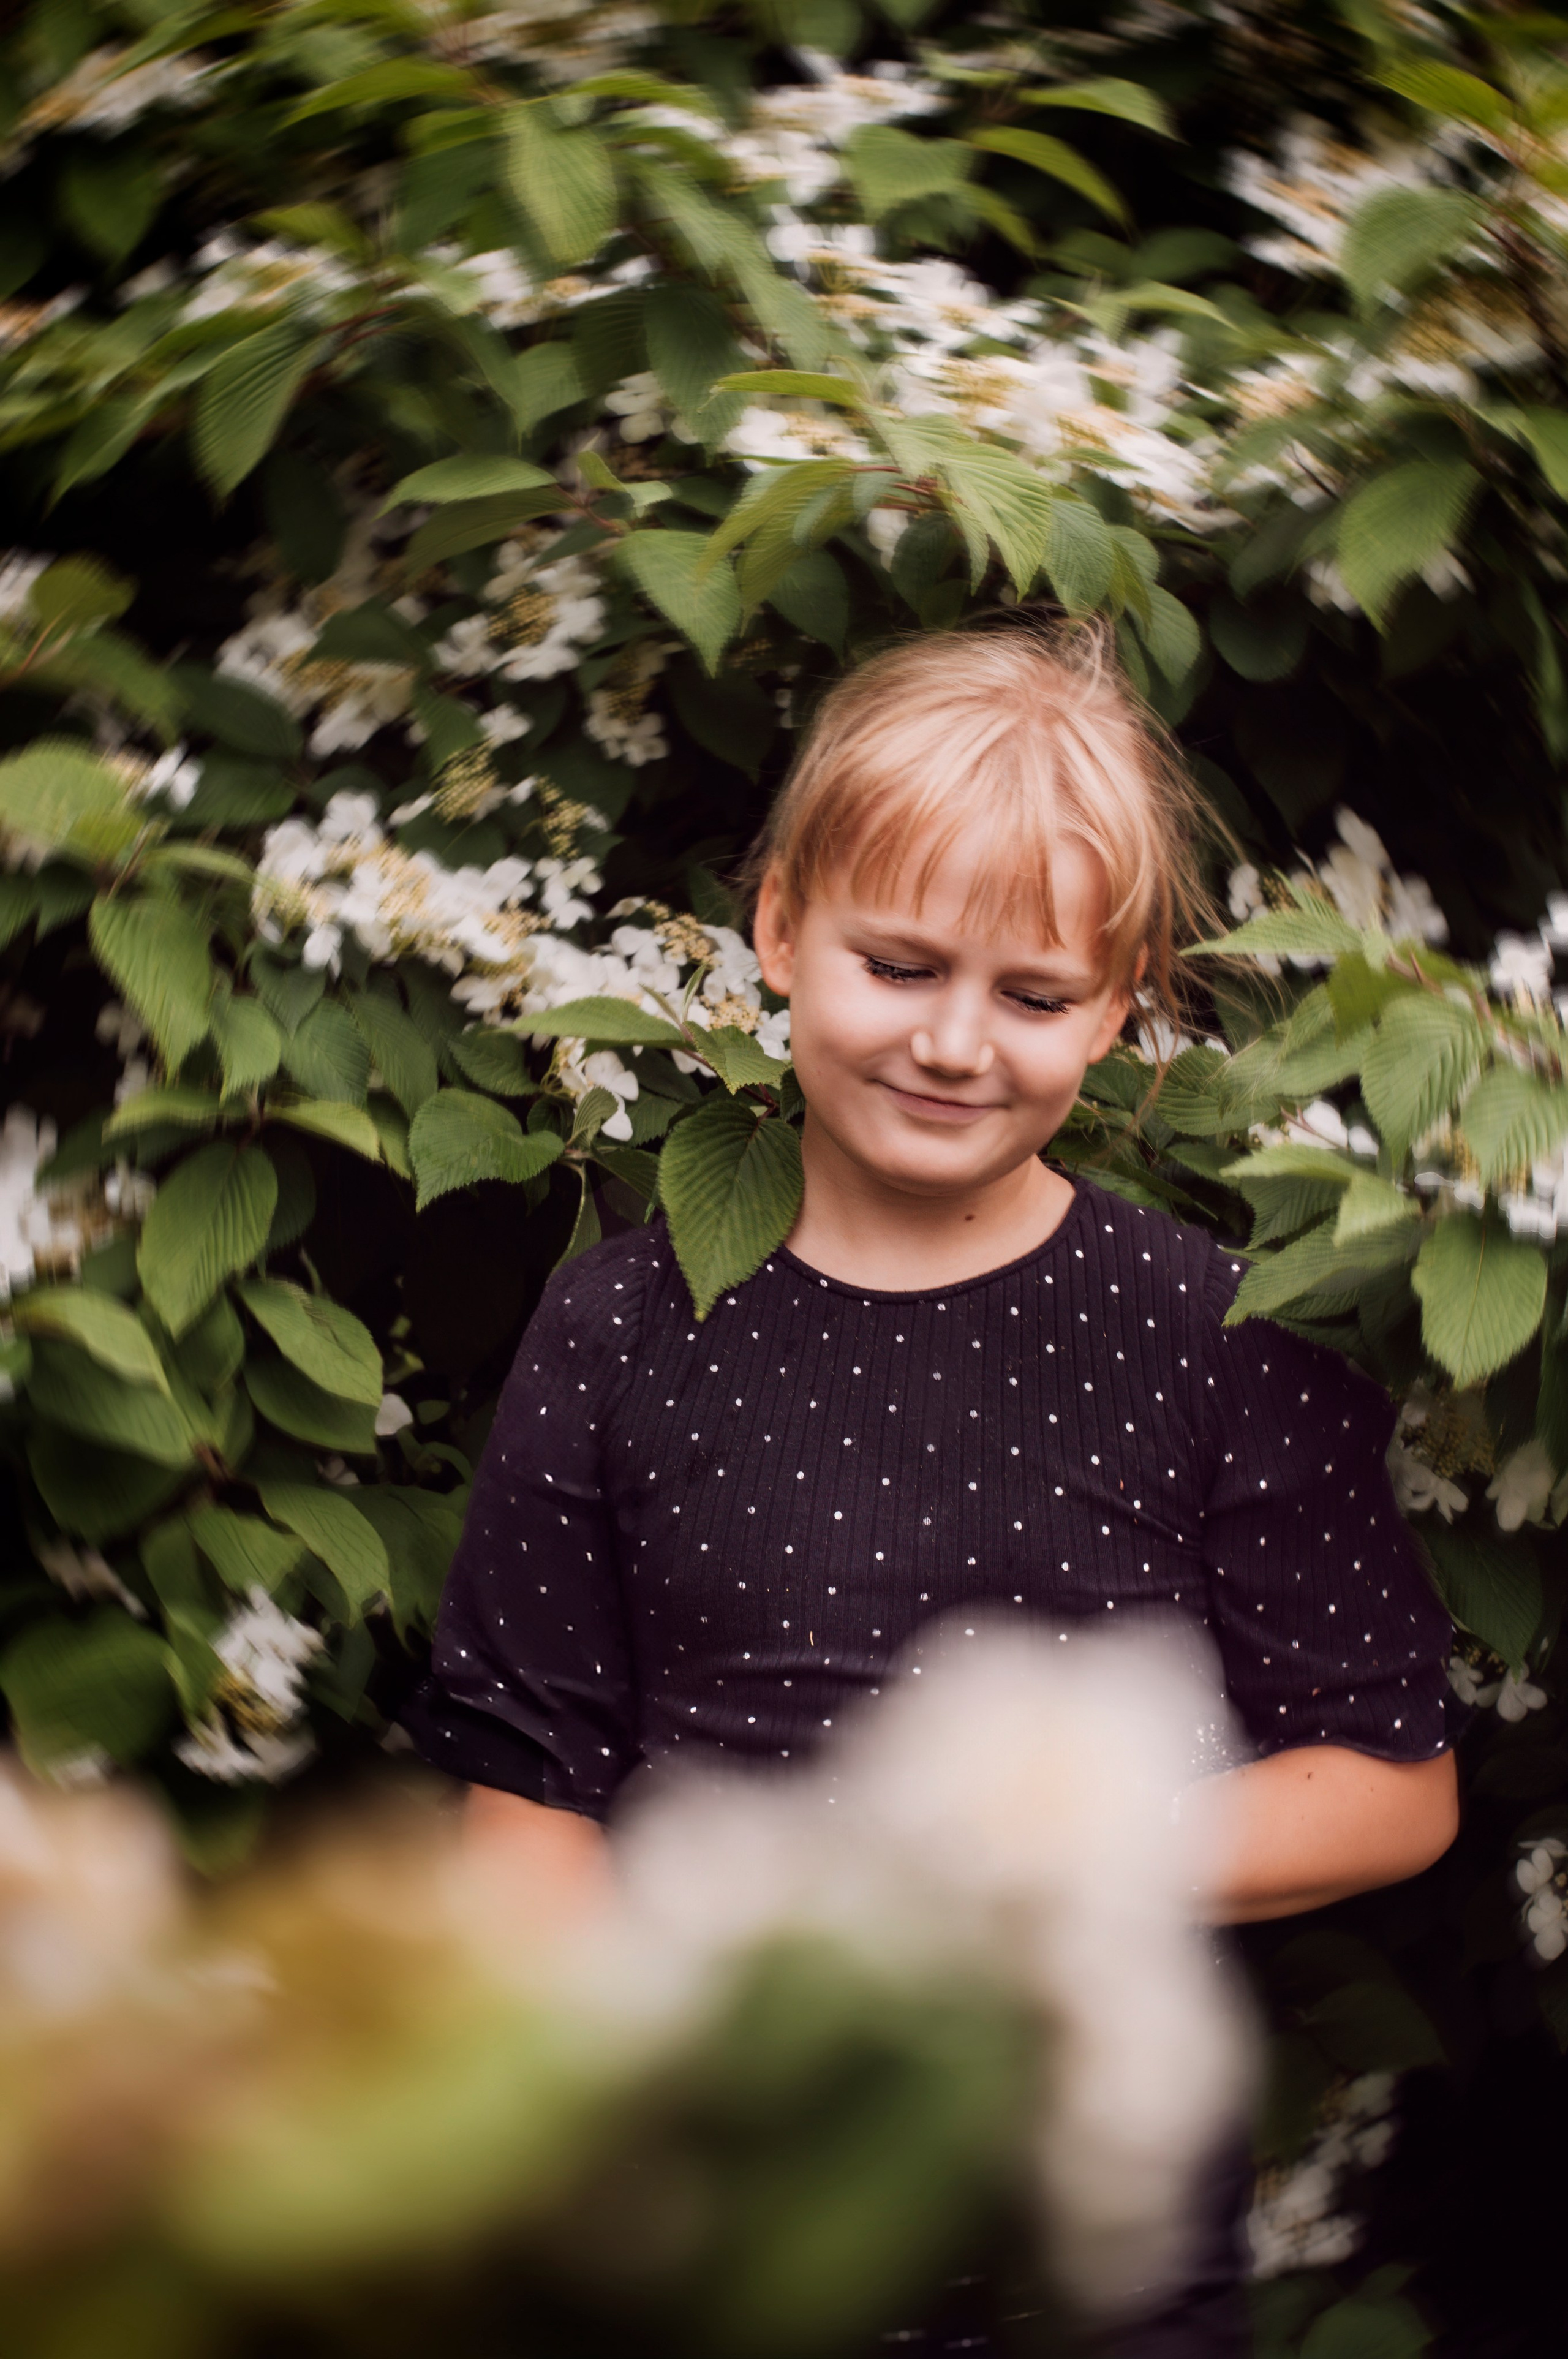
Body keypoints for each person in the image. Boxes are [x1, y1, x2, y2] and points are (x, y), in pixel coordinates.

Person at [402, 618, 1458, 2353]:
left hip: (1090, 2260)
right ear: (779, 926)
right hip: (719, 2224)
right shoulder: (622, 1323)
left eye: (1033, 996)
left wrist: (1037, 1862)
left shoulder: (1217, 1336)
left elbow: (1390, 1783)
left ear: (1120, 1005)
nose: (957, 1042)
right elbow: (530, 1787)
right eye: (898, 965)